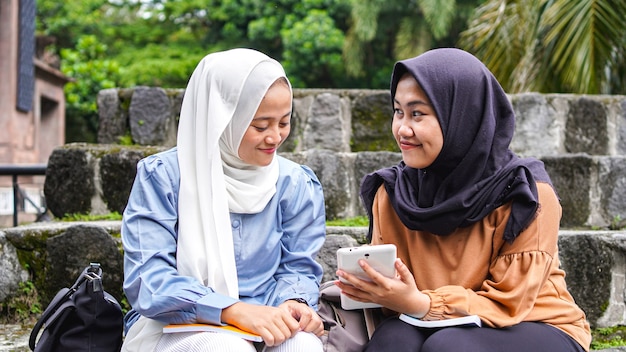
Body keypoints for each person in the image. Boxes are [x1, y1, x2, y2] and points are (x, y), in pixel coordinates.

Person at [335, 48, 591, 352]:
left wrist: (420, 302)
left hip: (534, 324)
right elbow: (397, 300)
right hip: (428, 319)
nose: (402, 129)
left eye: (417, 113)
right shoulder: (392, 193)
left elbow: (509, 304)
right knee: (393, 340)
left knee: (449, 346)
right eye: (398, 111)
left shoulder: (525, 194)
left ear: (462, 115)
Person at [120, 48, 326, 352]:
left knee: (302, 347)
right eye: (260, 125)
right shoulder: (164, 176)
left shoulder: (295, 183)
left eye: (284, 122)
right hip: (176, 324)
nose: (275, 137)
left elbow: (299, 267)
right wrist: (231, 310)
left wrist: (294, 304)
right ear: (222, 118)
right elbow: (148, 279)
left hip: (268, 316)